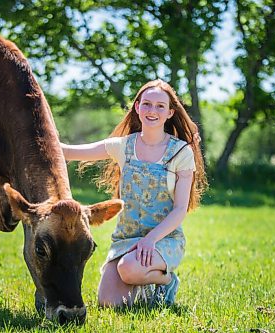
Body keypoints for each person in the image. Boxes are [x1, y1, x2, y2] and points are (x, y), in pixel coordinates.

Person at [60, 79, 207, 307]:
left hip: (163, 240)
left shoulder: (181, 152)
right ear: (137, 107)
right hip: (126, 240)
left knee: (128, 269)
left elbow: (179, 209)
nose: (152, 111)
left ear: (170, 113)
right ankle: (147, 285)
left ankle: (166, 281)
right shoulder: (123, 146)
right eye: (147, 104)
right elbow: (70, 152)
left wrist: (150, 240)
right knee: (109, 302)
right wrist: (36, 138)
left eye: (160, 106)